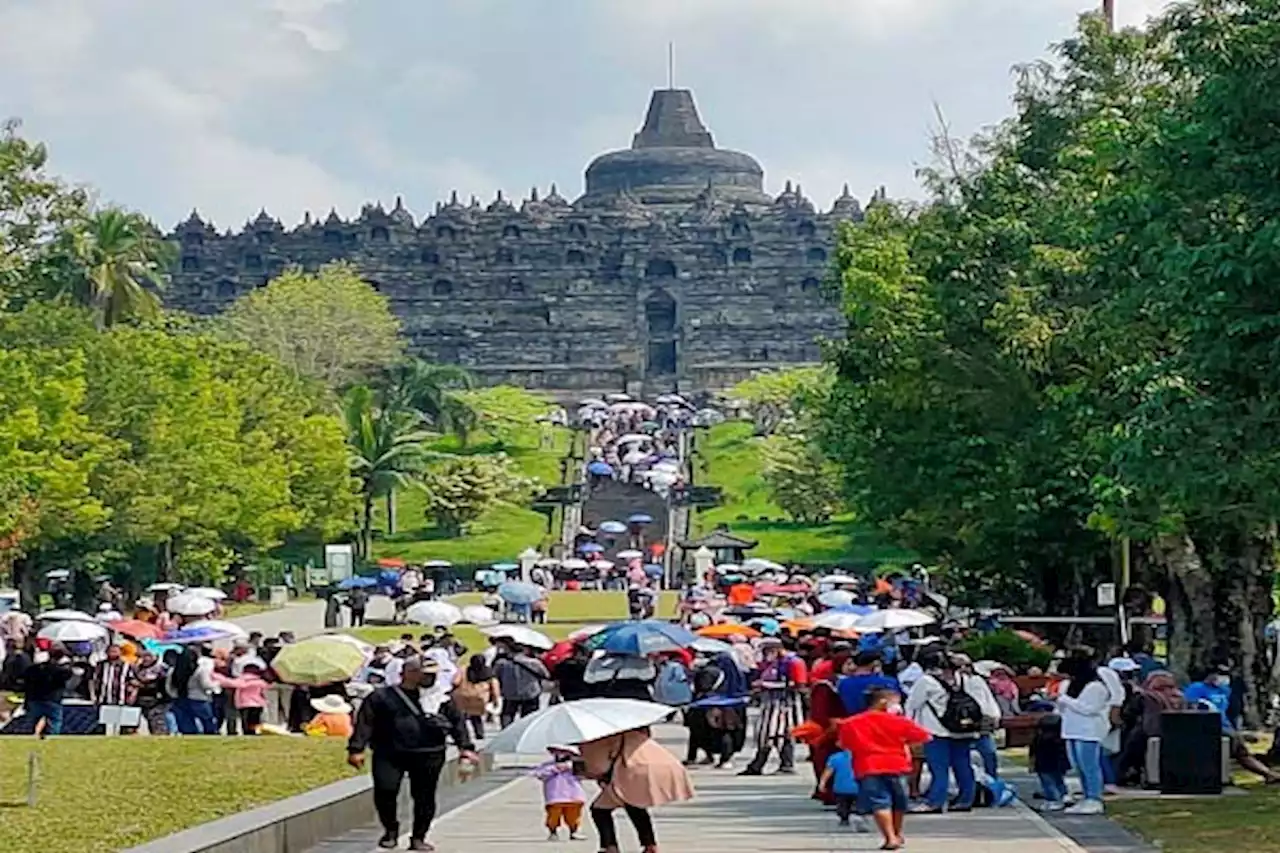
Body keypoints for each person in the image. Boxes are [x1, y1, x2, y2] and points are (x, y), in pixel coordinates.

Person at [347, 655, 479, 851]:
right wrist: (356, 749)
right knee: (386, 790)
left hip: (429, 753)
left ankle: (418, 837)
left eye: (433, 675)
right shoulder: (382, 697)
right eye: (425, 674)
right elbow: (365, 723)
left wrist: (465, 748)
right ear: (408, 674)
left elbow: (457, 724)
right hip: (389, 752)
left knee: (424, 797)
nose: (430, 679)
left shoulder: (442, 698)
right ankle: (390, 830)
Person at [838, 686, 931, 851]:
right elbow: (924, 737)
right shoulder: (900, 721)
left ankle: (890, 837)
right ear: (883, 702)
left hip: (867, 766)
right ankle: (895, 833)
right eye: (896, 702)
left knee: (879, 803)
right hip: (897, 765)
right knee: (899, 803)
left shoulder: (851, 723)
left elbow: (844, 744)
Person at [580, 727, 695, 853]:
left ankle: (610, 846)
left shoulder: (605, 739)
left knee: (601, 810)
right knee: (635, 806)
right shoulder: (637, 734)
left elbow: (598, 766)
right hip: (653, 768)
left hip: (628, 773)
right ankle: (649, 845)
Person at [904, 651, 979, 813]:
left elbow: (912, 705)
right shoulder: (965, 680)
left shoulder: (926, 681)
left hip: (936, 730)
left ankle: (935, 802)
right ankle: (966, 800)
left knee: (939, 768)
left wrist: (909, 729)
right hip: (964, 729)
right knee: (963, 766)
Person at [1184, 663, 1280, 784]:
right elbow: (1191, 707)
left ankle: (1268, 774)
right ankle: (1223, 776)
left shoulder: (1224, 690)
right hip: (1207, 728)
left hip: (1226, 726)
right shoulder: (1196, 688)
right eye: (1220, 675)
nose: (1223, 678)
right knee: (1228, 752)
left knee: (1241, 752)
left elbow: (1228, 710)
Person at [740, 638, 808, 776]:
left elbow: (799, 685)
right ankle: (758, 765)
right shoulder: (771, 663)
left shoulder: (793, 662)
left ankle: (785, 764)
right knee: (765, 733)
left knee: (781, 734)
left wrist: (768, 685)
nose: (765, 654)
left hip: (785, 704)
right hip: (769, 703)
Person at [1056, 651, 1111, 814]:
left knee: (1090, 766)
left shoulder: (1096, 687)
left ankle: (1095, 798)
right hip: (1071, 729)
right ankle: (1086, 796)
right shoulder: (1069, 686)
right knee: (1078, 766)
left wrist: (1064, 700)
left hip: (1088, 731)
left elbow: (1089, 708)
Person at [532, 745, 587, 841]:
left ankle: (574, 831)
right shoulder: (548, 765)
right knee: (553, 816)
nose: (561, 754)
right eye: (558, 752)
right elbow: (539, 774)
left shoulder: (575, 765)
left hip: (574, 795)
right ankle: (553, 832)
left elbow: (584, 775)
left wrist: (572, 767)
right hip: (555, 796)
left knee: (573, 816)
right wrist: (555, 769)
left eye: (564, 752)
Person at [23, 645, 73, 737]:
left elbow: (27, 683)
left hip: (35, 698)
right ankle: (52, 738)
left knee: (33, 722)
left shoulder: (33, 670)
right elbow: (67, 675)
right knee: (54, 722)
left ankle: (31, 735)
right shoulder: (60, 670)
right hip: (52, 699)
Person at [494, 642, 548, 727]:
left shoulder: (502, 663)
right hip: (530, 692)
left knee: (507, 714)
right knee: (529, 717)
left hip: (510, 693)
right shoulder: (534, 662)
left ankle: (506, 731)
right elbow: (545, 675)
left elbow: (496, 676)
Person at [170, 645, 219, 735]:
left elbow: (170, 686)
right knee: (207, 722)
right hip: (199, 698)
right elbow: (206, 684)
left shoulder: (175, 670)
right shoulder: (200, 669)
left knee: (187, 725)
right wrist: (217, 684)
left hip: (181, 698)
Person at [838, 651, 901, 716]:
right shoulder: (889, 682)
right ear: (875, 663)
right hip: (883, 721)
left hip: (854, 721)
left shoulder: (843, 684)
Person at [453, 654, 501, 741]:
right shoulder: (488, 672)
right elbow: (495, 687)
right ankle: (479, 733)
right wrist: (495, 700)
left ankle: (463, 735)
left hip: (463, 696)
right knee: (476, 716)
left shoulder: (464, 669)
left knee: (461, 718)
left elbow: (455, 681)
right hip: (480, 698)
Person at [1030, 713, 1071, 811]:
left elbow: (1033, 751)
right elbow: (1064, 754)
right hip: (1056, 764)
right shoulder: (1060, 740)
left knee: (1048, 783)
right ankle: (1063, 795)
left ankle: (1053, 799)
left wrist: (1032, 764)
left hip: (1043, 765)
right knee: (1058, 780)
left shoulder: (1039, 738)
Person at [818, 746, 864, 830]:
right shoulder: (863, 757)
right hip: (858, 787)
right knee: (859, 805)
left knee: (842, 804)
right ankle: (858, 816)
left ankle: (844, 818)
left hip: (841, 788)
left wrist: (822, 783)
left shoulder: (835, 757)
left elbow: (828, 771)